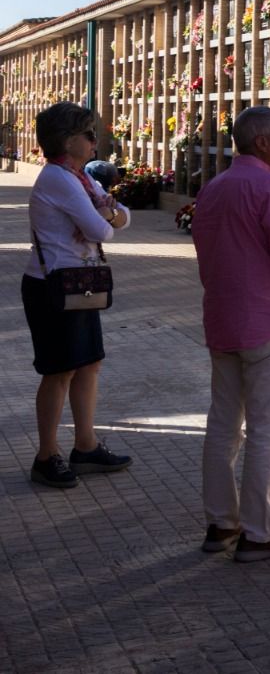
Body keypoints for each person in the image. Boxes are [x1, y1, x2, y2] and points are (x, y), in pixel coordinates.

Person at [190, 106, 270, 562]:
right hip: (268, 321)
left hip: (221, 319)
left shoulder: (214, 188)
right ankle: (260, 534)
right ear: (262, 142)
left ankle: (221, 523)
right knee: (266, 429)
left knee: (223, 424)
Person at [23, 102, 133, 489]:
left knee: (89, 364)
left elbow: (122, 216)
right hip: (52, 286)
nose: (94, 141)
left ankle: (85, 446)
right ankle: (46, 455)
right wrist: (107, 215)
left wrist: (107, 214)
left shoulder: (82, 179)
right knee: (59, 372)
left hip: (79, 283)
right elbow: (105, 230)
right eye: (88, 135)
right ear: (67, 141)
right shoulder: (60, 179)